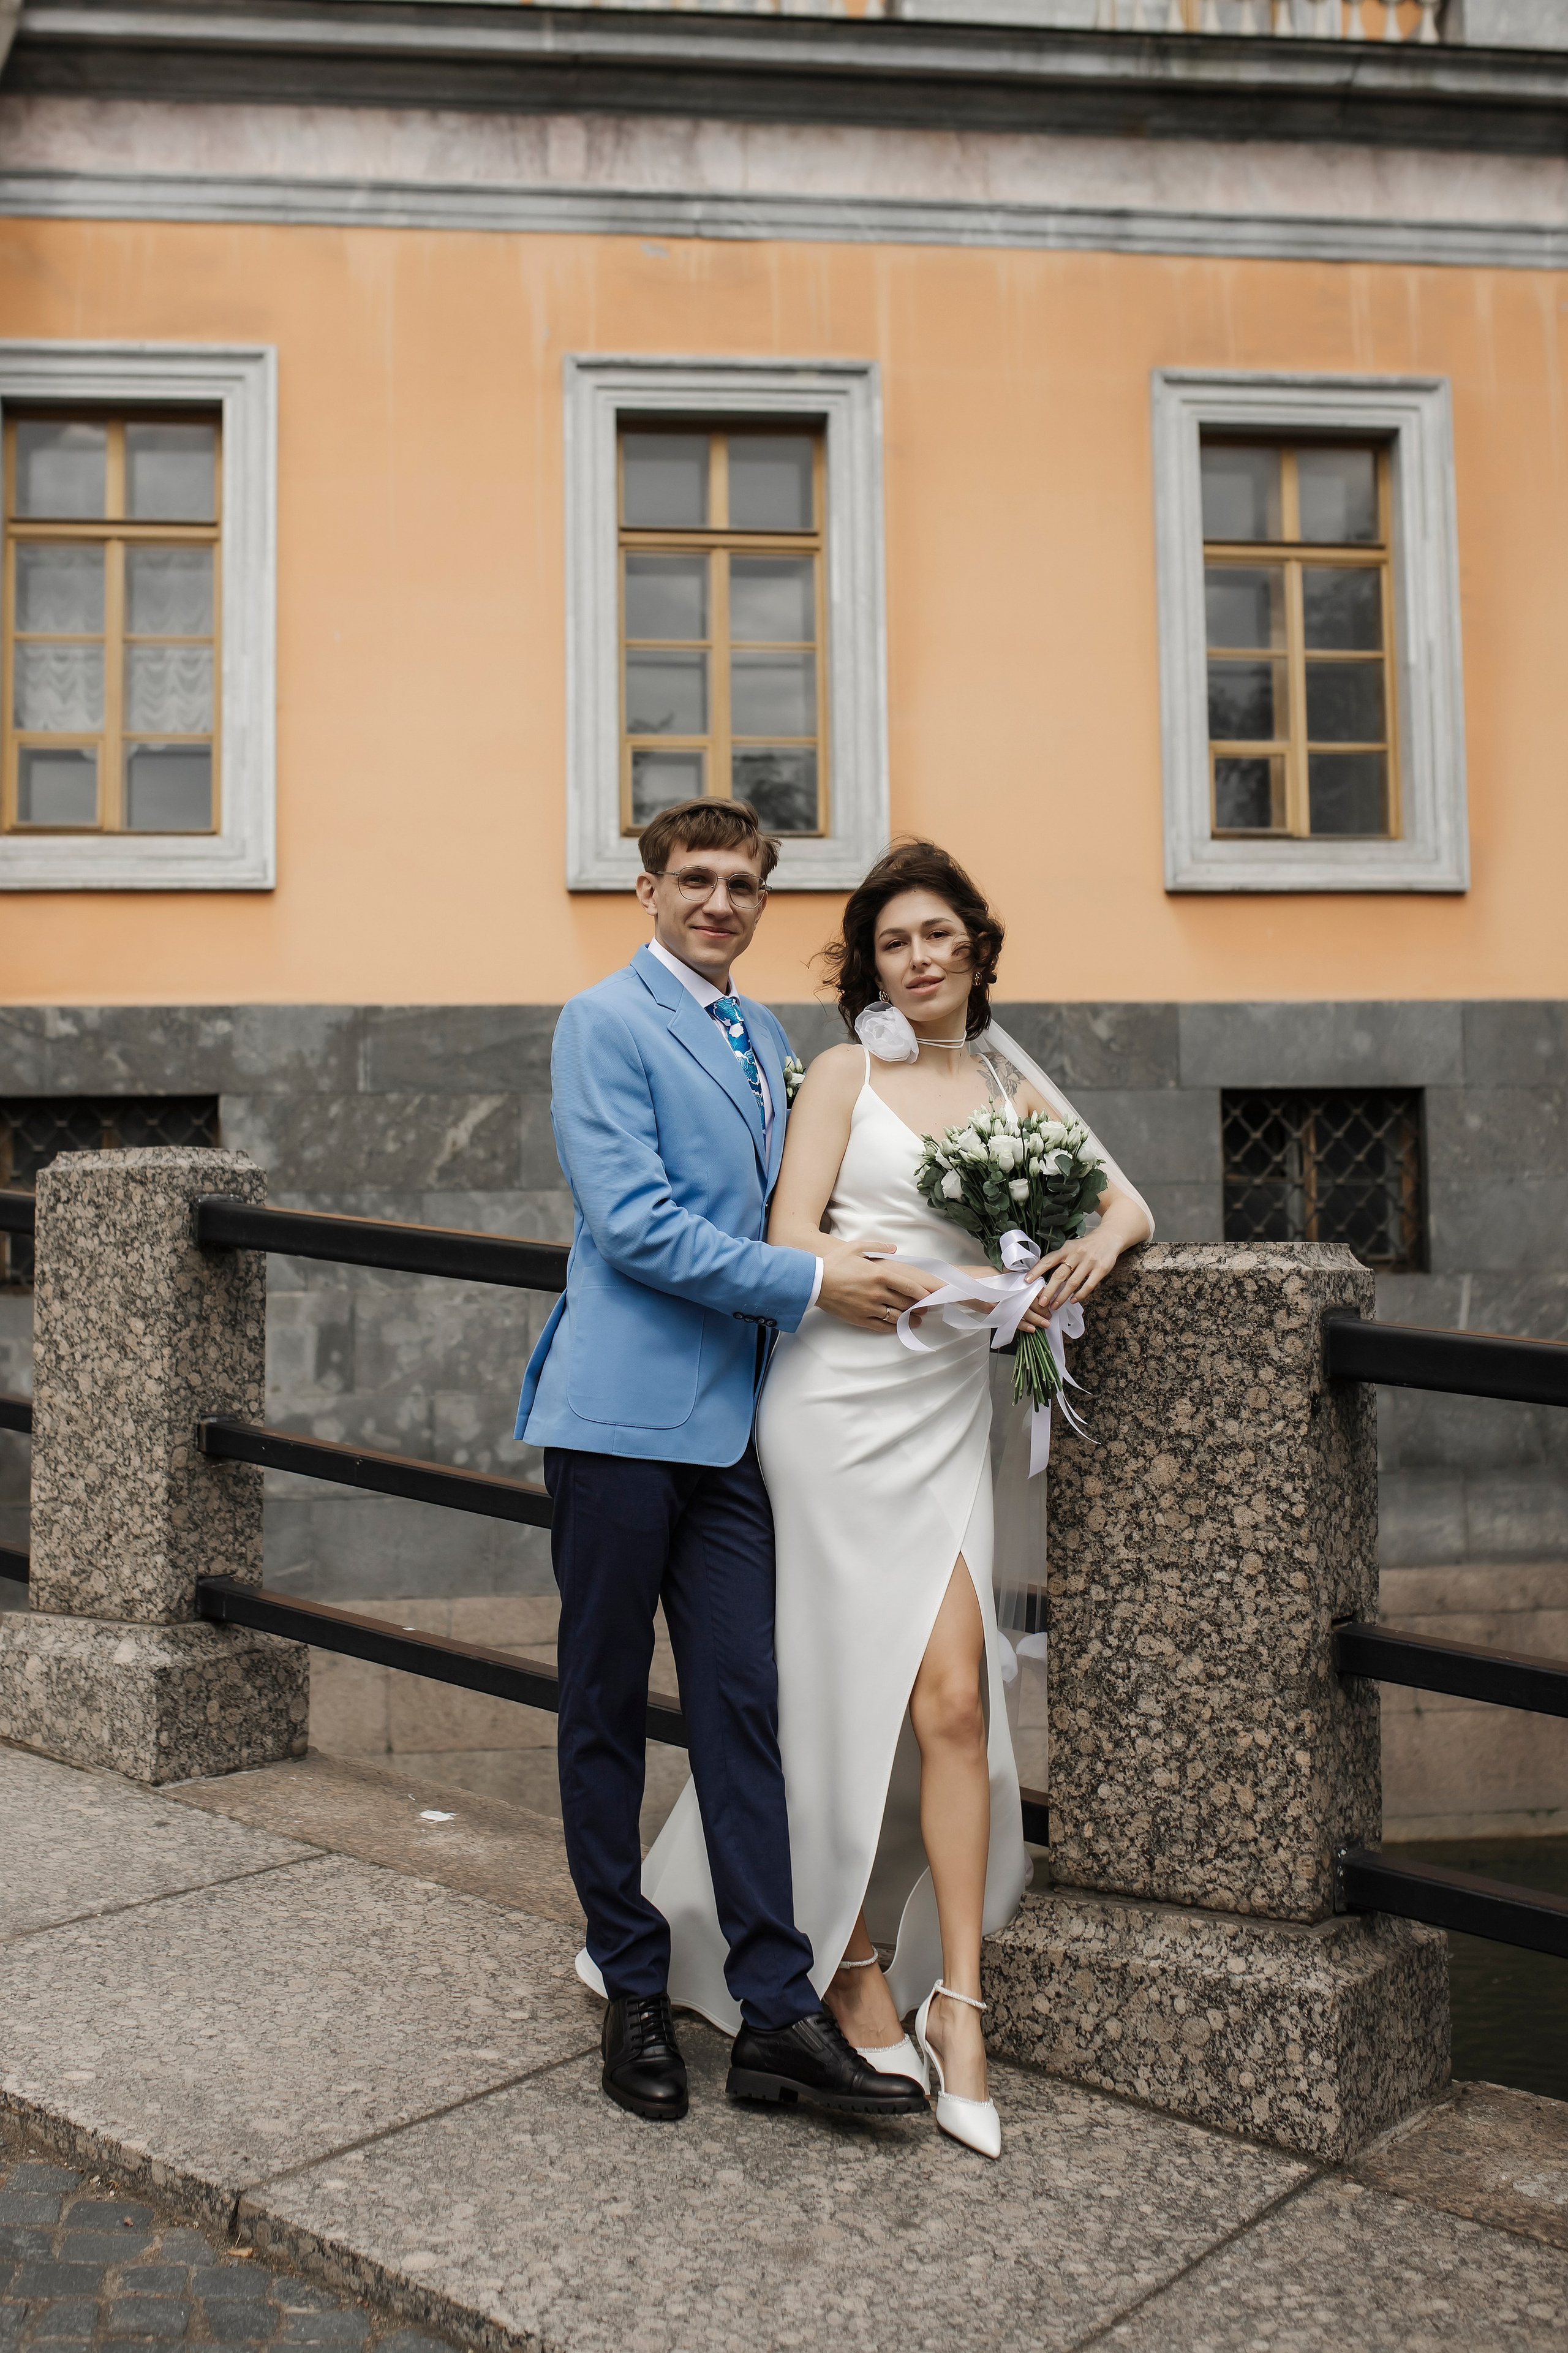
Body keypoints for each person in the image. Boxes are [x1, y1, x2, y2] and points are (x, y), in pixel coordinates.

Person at [635, 839, 1153, 2158]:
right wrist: (872, 1269)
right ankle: (849, 1963)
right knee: (820, 1691)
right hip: (828, 1409)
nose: (917, 959)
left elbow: (1127, 1201)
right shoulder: (844, 1077)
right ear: (867, 967)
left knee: (955, 1700)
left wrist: (1086, 1249)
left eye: (936, 936)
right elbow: (785, 1236)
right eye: (890, 944)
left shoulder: (1006, 1083)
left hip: (939, 1423)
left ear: (974, 944)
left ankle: (960, 2006)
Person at [515, 799, 934, 2128]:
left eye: (741, 882)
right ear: (645, 891)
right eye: (693, 878)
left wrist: (961, 1276)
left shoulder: (762, 1038)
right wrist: (811, 1283)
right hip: (617, 1423)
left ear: (760, 902)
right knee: (599, 1708)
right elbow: (634, 1227)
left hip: (738, 1432)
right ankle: (632, 1986)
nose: (717, 900)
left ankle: (774, 2014)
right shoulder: (601, 1023)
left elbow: (797, 1207)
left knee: (744, 1711)